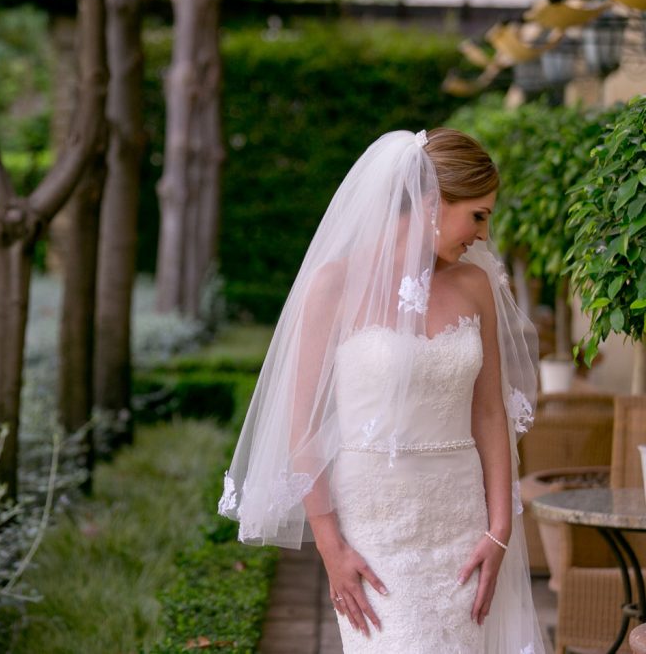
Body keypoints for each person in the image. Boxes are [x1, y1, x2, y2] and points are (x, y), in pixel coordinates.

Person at [218, 129, 546, 652]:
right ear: (433, 203)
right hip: (376, 533)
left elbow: (490, 413)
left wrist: (499, 528)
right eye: (478, 215)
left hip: (462, 526)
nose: (484, 235)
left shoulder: (475, 286)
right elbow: (302, 426)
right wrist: (330, 548)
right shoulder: (335, 284)